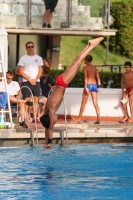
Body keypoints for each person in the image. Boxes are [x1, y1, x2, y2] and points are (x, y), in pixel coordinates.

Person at [40, 37, 104, 149]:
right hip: (59, 82)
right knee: (76, 62)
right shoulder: (47, 110)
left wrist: (49, 142)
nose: (55, 121)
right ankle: (89, 45)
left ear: (50, 119)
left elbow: (50, 128)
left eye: (53, 121)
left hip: (62, 83)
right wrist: (46, 143)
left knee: (78, 62)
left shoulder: (50, 111)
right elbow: (47, 129)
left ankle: (91, 45)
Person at [18, 41, 43, 123]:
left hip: (36, 81)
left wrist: (35, 80)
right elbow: (21, 71)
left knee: (36, 100)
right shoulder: (23, 58)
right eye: (29, 47)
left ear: (34, 47)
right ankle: (26, 117)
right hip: (26, 81)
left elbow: (40, 71)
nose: (30, 48)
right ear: (26, 48)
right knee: (26, 100)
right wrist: (29, 80)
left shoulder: (39, 58)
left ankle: (35, 118)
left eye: (32, 46)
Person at [78, 55, 102, 124]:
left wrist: (85, 87)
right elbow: (98, 78)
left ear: (86, 60)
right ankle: (98, 118)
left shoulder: (85, 68)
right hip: (94, 85)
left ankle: (79, 118)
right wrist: (99, 86)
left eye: (84, 60)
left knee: (83, 102)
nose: (84, 61)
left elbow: (85, 77)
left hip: (88, 85)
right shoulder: (94, 68)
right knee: (95, 102)